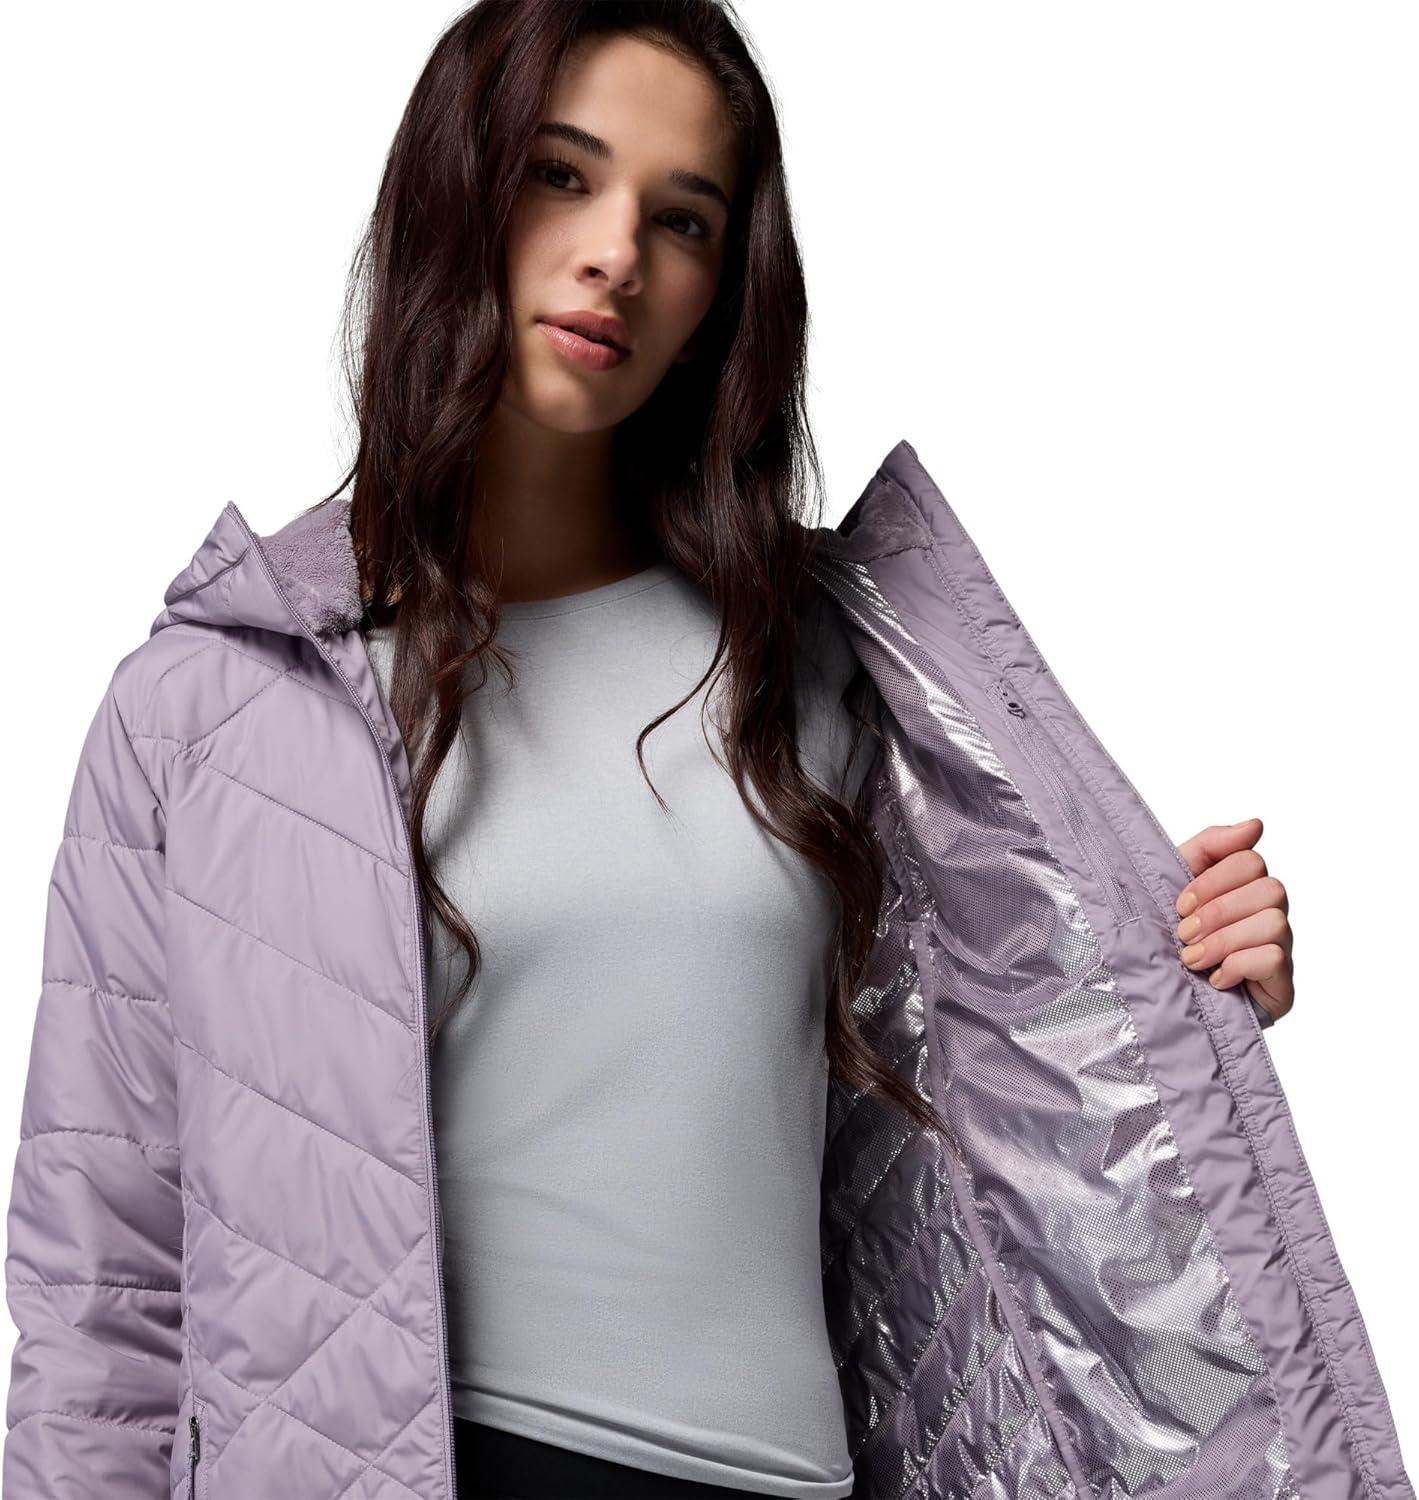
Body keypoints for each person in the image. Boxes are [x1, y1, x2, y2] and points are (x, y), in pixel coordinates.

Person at [2, 4, 1303, 1499]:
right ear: (454, 195)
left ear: (721, 296)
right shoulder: (213, 707)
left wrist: (1173, 992)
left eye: (682, 218)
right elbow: (105, 1291)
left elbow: (1009, 1127)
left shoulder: (829, 666)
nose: (616, 252)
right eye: (560, 175)